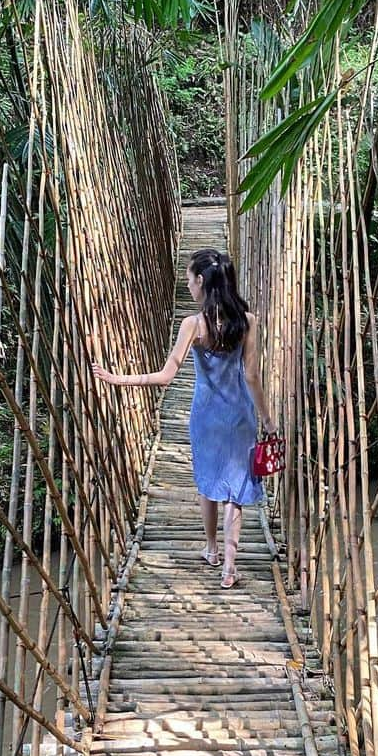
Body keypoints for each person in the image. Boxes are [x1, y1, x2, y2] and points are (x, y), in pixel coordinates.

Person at [92, 248, 276, 589]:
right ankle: (230, 569)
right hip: (240, 415)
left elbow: (165, 376)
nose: (188, 286)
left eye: (189, 280)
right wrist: (267, 420)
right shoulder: (247, 320)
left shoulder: (193, 325)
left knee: (208, 482)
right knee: (235, 490)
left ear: (201, 281)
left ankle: (211, 549)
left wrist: (119, 379)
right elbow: (252, 376)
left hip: (206, 416)